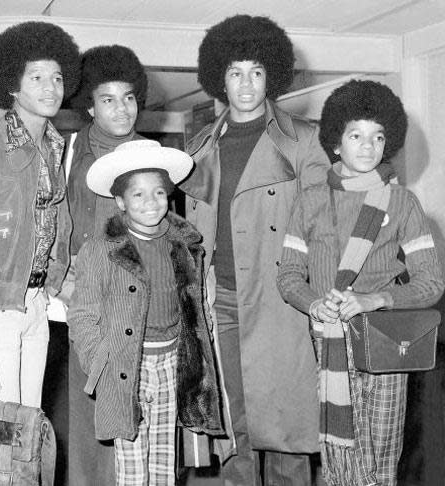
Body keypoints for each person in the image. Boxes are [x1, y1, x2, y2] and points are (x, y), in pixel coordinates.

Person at [179, 14, 331, 485]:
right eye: (235, 72)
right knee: (233, 426)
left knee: (287, 429)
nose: (246, 84)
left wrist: (322, 299)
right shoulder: (200, 145)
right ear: (218, 79)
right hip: (218, 300)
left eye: (257, 72)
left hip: (282, 301)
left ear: (273, 75)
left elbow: (323, 228)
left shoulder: (304, 140)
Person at [277, 79, 444, 486]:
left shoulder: (402, 202)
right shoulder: (309, 200)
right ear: (336, 142)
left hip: (385, 341)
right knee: (338, 457)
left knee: (381, 455)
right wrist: (314, 303)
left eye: (377, 137)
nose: (368, 147)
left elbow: (432, 283)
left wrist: (375, 299)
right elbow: (287, 277)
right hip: (326, 338)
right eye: (356, 135)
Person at [68, 139, 223, 486]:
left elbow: (193, 306)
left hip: (172, 364)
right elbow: (82, 316)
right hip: (127, 368)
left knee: (165, 464)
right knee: (134, 468)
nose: (150, 202)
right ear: (120, 201)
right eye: (137, 195)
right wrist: (101, 361)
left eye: (158, 193)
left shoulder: (183, 245)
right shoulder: (101, 250)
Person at [0, 21, 80, 406]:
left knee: (26, 438)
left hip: (35, 306)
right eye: (36, 77)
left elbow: (57, 227)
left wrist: (55, 286)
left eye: (56, 77)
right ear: (12, 85)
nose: (50, 87)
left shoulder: (54, 147)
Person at [51, 44, 149, 486]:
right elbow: (54, 223)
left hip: (141, 306)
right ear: (90, 106)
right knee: (86, 420)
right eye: (108, 99)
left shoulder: (153, 156)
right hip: (85, 306)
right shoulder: (68, 154)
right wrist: (64, 284)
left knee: (137, 416)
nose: (121, 108)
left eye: (128, 97)